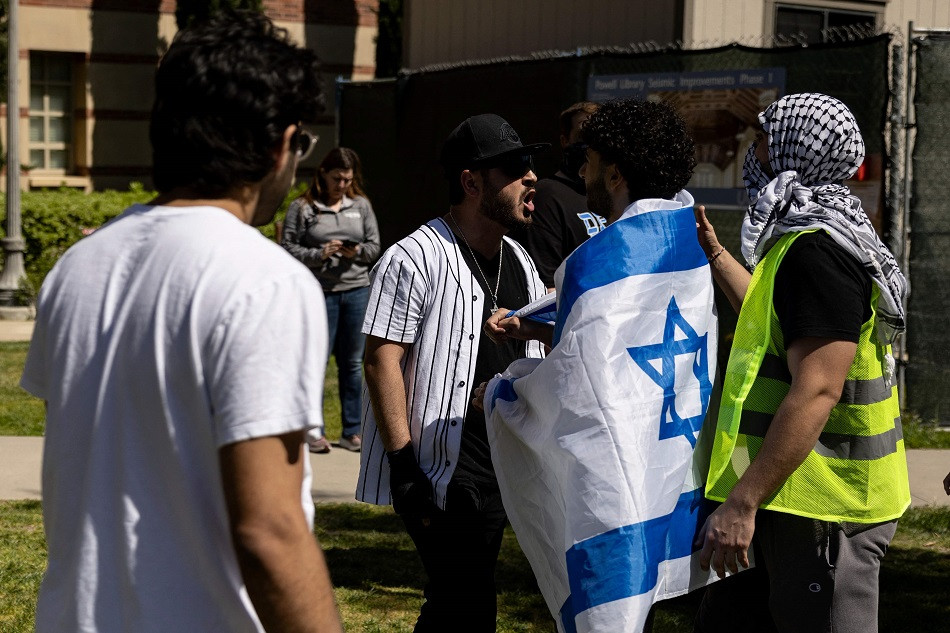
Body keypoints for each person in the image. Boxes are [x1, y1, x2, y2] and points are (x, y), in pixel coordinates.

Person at [20, 13, 342, 633]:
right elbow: (269, 530)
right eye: (300, 146)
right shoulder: (264, 279)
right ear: (280, 143)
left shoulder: (77, 267)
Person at [478, 98, 712, 633]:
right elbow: (616, 338)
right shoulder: (691, 237)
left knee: (610, 599)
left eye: (590, 159)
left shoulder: (600, 259)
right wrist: (538, 326)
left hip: (615, 462)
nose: (580, 170)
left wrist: (504, 392)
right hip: (673, 450)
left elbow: (577, 383)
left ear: (616, 171)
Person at [694, 93, 911, 633]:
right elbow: (782, 328)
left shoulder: (818, 250)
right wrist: (717, 257)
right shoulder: (800, 240)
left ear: (798, 149)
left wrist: (743, 501)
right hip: (787, 499)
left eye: (767, 138)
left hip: (825, 511)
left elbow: (816, 387)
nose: (756, 151)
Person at [355, 113, 549, 631]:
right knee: (466, 603)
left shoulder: (519, 260)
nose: (532, 177)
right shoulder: (415, 257)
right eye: (514, 168)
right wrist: (403, 468)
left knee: (457, 605)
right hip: (439, 469)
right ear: (471, 182)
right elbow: (381, 359)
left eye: (529, 165)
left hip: (499, 461)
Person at [282, 147, 381, 453]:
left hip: (355, 290)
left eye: (347, 179)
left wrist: (356, 252)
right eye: (336, 178)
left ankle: (351, 431)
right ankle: (315, 431)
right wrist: (317, 254)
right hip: (318, 292)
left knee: (352, 363)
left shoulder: (360, 205)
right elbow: (286, 246)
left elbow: (374, 246)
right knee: (317, 361)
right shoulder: (303, 208)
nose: (341, 185)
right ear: (323, 174)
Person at [511, 101, 603, 290]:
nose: (590, 145)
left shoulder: (613, 195)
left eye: (598, 136)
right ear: (565, 140)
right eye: (583, 135)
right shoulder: (548, 196)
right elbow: (548, 287)